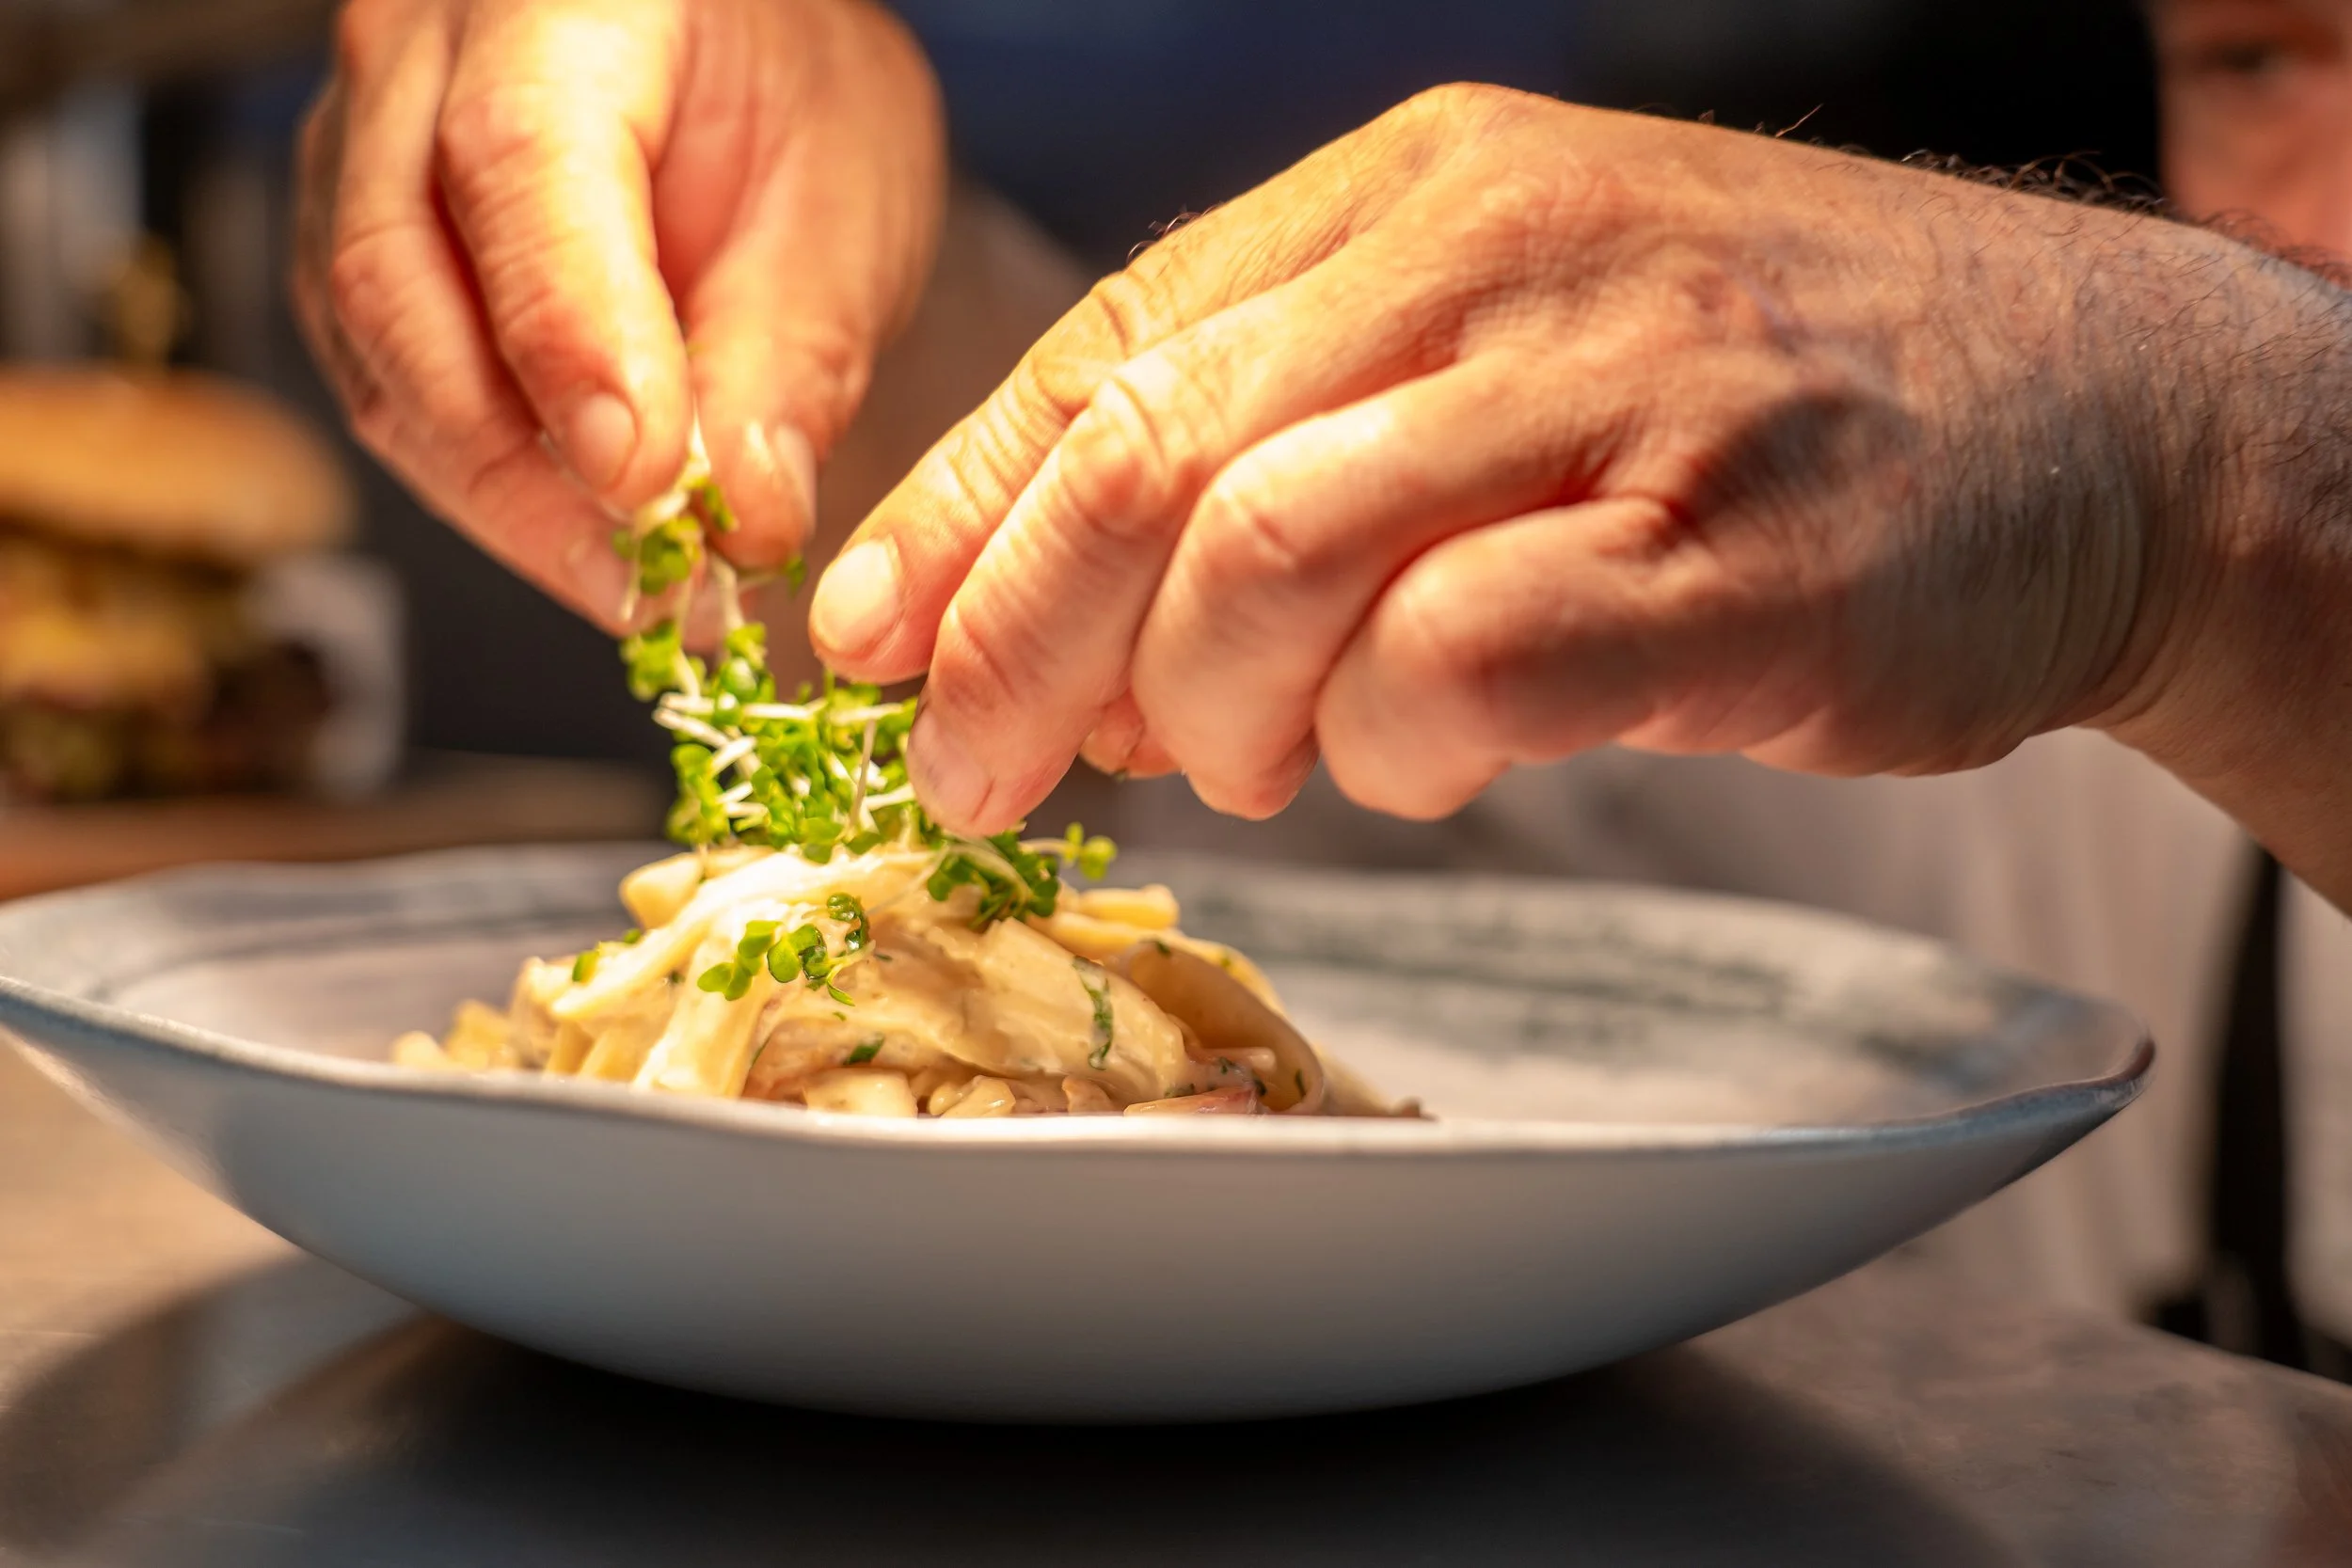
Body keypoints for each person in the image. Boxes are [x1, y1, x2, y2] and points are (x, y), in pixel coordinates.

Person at [292, 0, 2352, 1338]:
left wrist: (2207, 462)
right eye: (2265, 52)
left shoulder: (2116, 527)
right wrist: (817, 294)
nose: (2319, 198)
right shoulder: (2007, 777)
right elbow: (1240, 612)